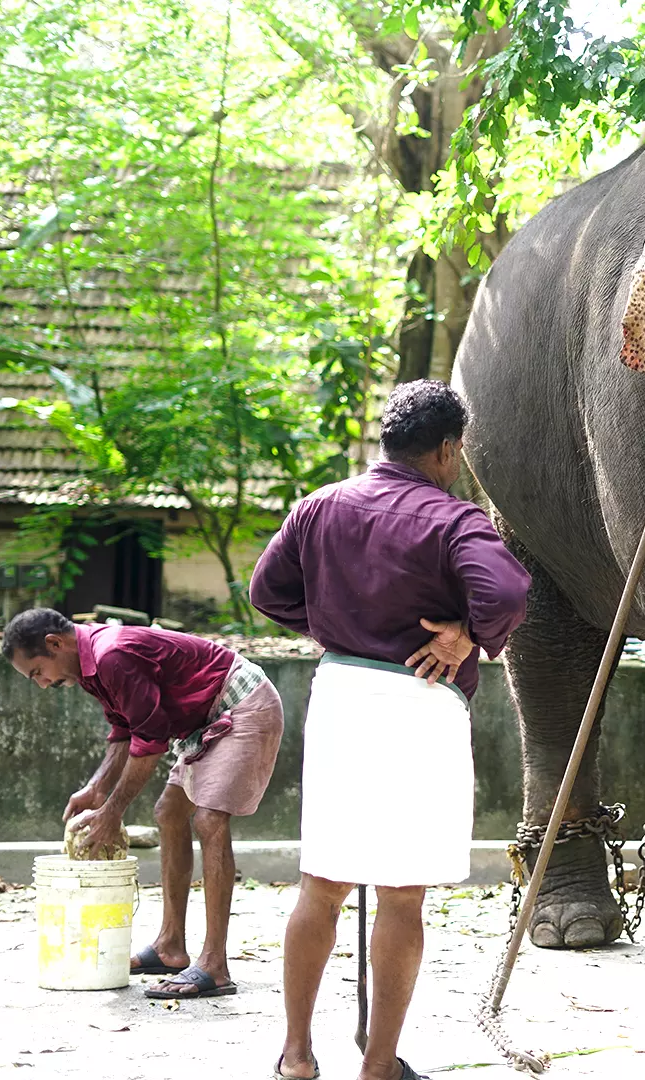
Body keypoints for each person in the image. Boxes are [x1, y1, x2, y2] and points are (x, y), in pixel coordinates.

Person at [251, 379, 530, 1080]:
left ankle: (296, 1056)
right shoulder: (455, 519)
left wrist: (332, 628)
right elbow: (509, 593)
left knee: (321, 885)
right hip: (421, 702)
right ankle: (378, 1066)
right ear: (447, 448)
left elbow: (266, 591)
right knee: (402, 897)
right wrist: (467, 635)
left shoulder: (321, 506)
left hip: (342, 698)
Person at [3, 607, 283, 999]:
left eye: (37, 672)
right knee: (169, 812)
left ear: (54, 644)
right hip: (201, 721)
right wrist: (96, 789)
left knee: (209, 819)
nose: (42, 684)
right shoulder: (87, 665)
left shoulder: (111, 654)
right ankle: (170, 946)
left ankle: (215, 966)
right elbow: (124, 729)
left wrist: (112, 812)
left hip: (240, 701)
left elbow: (149, 741)